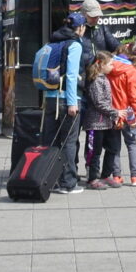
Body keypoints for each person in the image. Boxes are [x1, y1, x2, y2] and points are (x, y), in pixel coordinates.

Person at [32, 16, 85, 193]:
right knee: (69, 142)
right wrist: (72, 103)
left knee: (49, 140)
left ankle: (47, 179)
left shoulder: (51, 44)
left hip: (49, 99)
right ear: (80, 28)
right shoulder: (74, 45)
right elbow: (71, 76)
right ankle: (68, 183)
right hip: (66, 100)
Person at [81, 52, 122, 189]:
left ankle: (105, 175)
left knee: (113, 147)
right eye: (110, 64)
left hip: (107, 121)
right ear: (101, 65)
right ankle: (92, 178)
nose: (112, 66)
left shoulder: (104, 78)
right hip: (95, 123)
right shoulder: (95, 80)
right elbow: (99, 102)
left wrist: (113, 116)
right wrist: (115, 112)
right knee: (94, 152)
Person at [110, 40, 136, 180]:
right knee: (132, 144)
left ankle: (116, 176)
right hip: (129, 112)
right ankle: (135, 177)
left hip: (113, 112)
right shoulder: (131, 70)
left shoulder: (110, 66)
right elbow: (134, 96)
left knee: (114, 145)